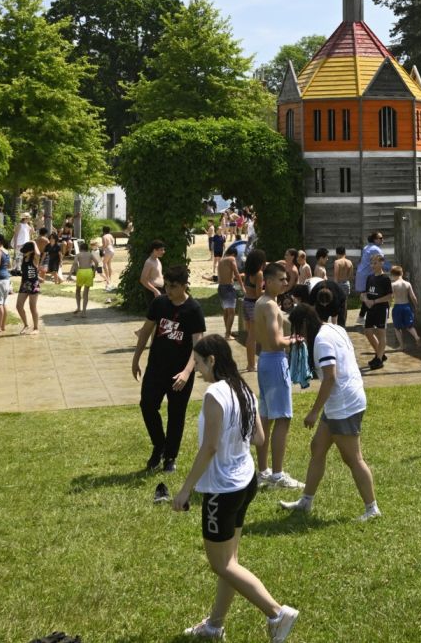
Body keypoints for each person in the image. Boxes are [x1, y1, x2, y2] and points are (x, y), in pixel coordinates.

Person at [167, 333, 299, 642]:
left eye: (198, 363)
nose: (196, 370)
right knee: (230, 563)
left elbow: (210, 447)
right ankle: (214, 626)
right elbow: (259, 439)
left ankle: (277, 613)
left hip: (222, 490)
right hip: (245, 481)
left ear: (212, 360)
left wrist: (186, 489)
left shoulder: (215, 394)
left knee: (222, 564)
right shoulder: (244, 388)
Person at [280, 282, 380, 521]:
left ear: (304, 323)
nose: (296, 335)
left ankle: (372, 509)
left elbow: (331, 377)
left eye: (296, 329)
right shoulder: (334, 328)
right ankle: (306, 501)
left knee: (353, 458)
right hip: (344, 400)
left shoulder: (322, 340)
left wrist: (314, 412)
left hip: (343, 404)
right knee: (318, 448)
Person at [133, 266, 206, 473]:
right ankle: (159, 446)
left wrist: (186, 372)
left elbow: (197, 345)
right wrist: (136, 358)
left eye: (173, 286)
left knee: (176, 414)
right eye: (166, 285)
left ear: (184, 285)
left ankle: (170, 457)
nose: (168, 290)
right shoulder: (159, 303)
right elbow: (146, 331)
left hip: (180, 373)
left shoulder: (194, 309)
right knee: (147, 405)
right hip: (156, 368)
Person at [246, 264, 304, 491]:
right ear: (268, 281)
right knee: (283, 418)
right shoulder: (269, 305)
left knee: (266, 417)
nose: (285, 283)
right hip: (275, 360)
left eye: (285, 279)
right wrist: (296, 340)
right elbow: (277, 340)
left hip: (265, 361)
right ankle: (278, 475)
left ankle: (263, 471)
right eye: (280, 279)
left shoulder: (262, 303)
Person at [358, 260, 392, 370]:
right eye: (371, 263)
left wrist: (375, 301)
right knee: (368, 331)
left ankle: (378, 359)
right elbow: (365, 293)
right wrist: (365, 299)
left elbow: (389, 297)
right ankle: (380, 355)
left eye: (375, 263)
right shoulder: (370, 277)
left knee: (381, 333)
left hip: (381, 309)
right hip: (370, 309)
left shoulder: (385, 279)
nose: (372, 265)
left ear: (381, 263)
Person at [13, 241, 45, 335]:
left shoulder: (35, 258)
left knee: (32, 307)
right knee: (19, 306)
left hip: (33, 285)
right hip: (24, 284)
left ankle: (36, 328)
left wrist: (34, 242)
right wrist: (38, 277)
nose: (23, 252)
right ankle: (26, 325)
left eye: (25, 251)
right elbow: (28, 272)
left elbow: (38, 253)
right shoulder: (24, 258)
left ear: (31, 251)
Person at [387, 267, 420, 351]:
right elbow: (413, 297)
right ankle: (416, 337)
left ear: (393, 275)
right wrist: (416, 306)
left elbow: (390, 298)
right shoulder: (407, 284)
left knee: (397, 328)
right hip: (407, 306)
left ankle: (401, 346)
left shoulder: (393, 285)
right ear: (402, 273)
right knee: (409, 326)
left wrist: (388, 307)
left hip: (397, 307)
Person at [72, 229, 98, 314]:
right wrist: (94, 271)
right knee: (86, 293)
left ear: (80, 248)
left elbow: (75, 263)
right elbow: (97, 262)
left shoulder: (78, 255)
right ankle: (84, 311)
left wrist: (75, 271)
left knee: (78, 290)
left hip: (81, 272)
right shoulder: (90, 254)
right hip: (89, 272)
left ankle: (78, 307)